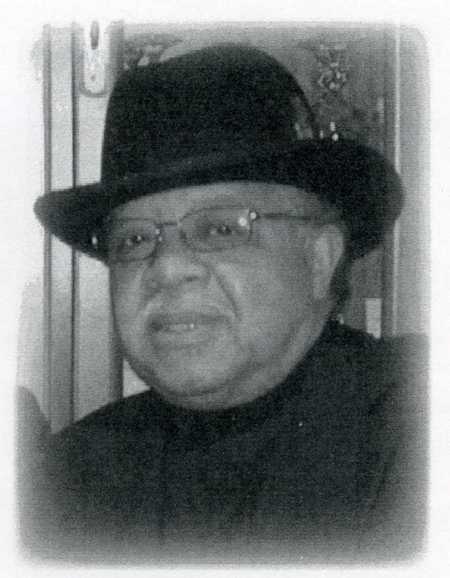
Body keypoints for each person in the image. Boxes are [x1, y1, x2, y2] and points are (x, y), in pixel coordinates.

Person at [22, 43, 427, 564]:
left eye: (220, 229)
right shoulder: (66, 478)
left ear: (320, 258)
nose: (167, 269)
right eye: (134, 240)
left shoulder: (417, 432)